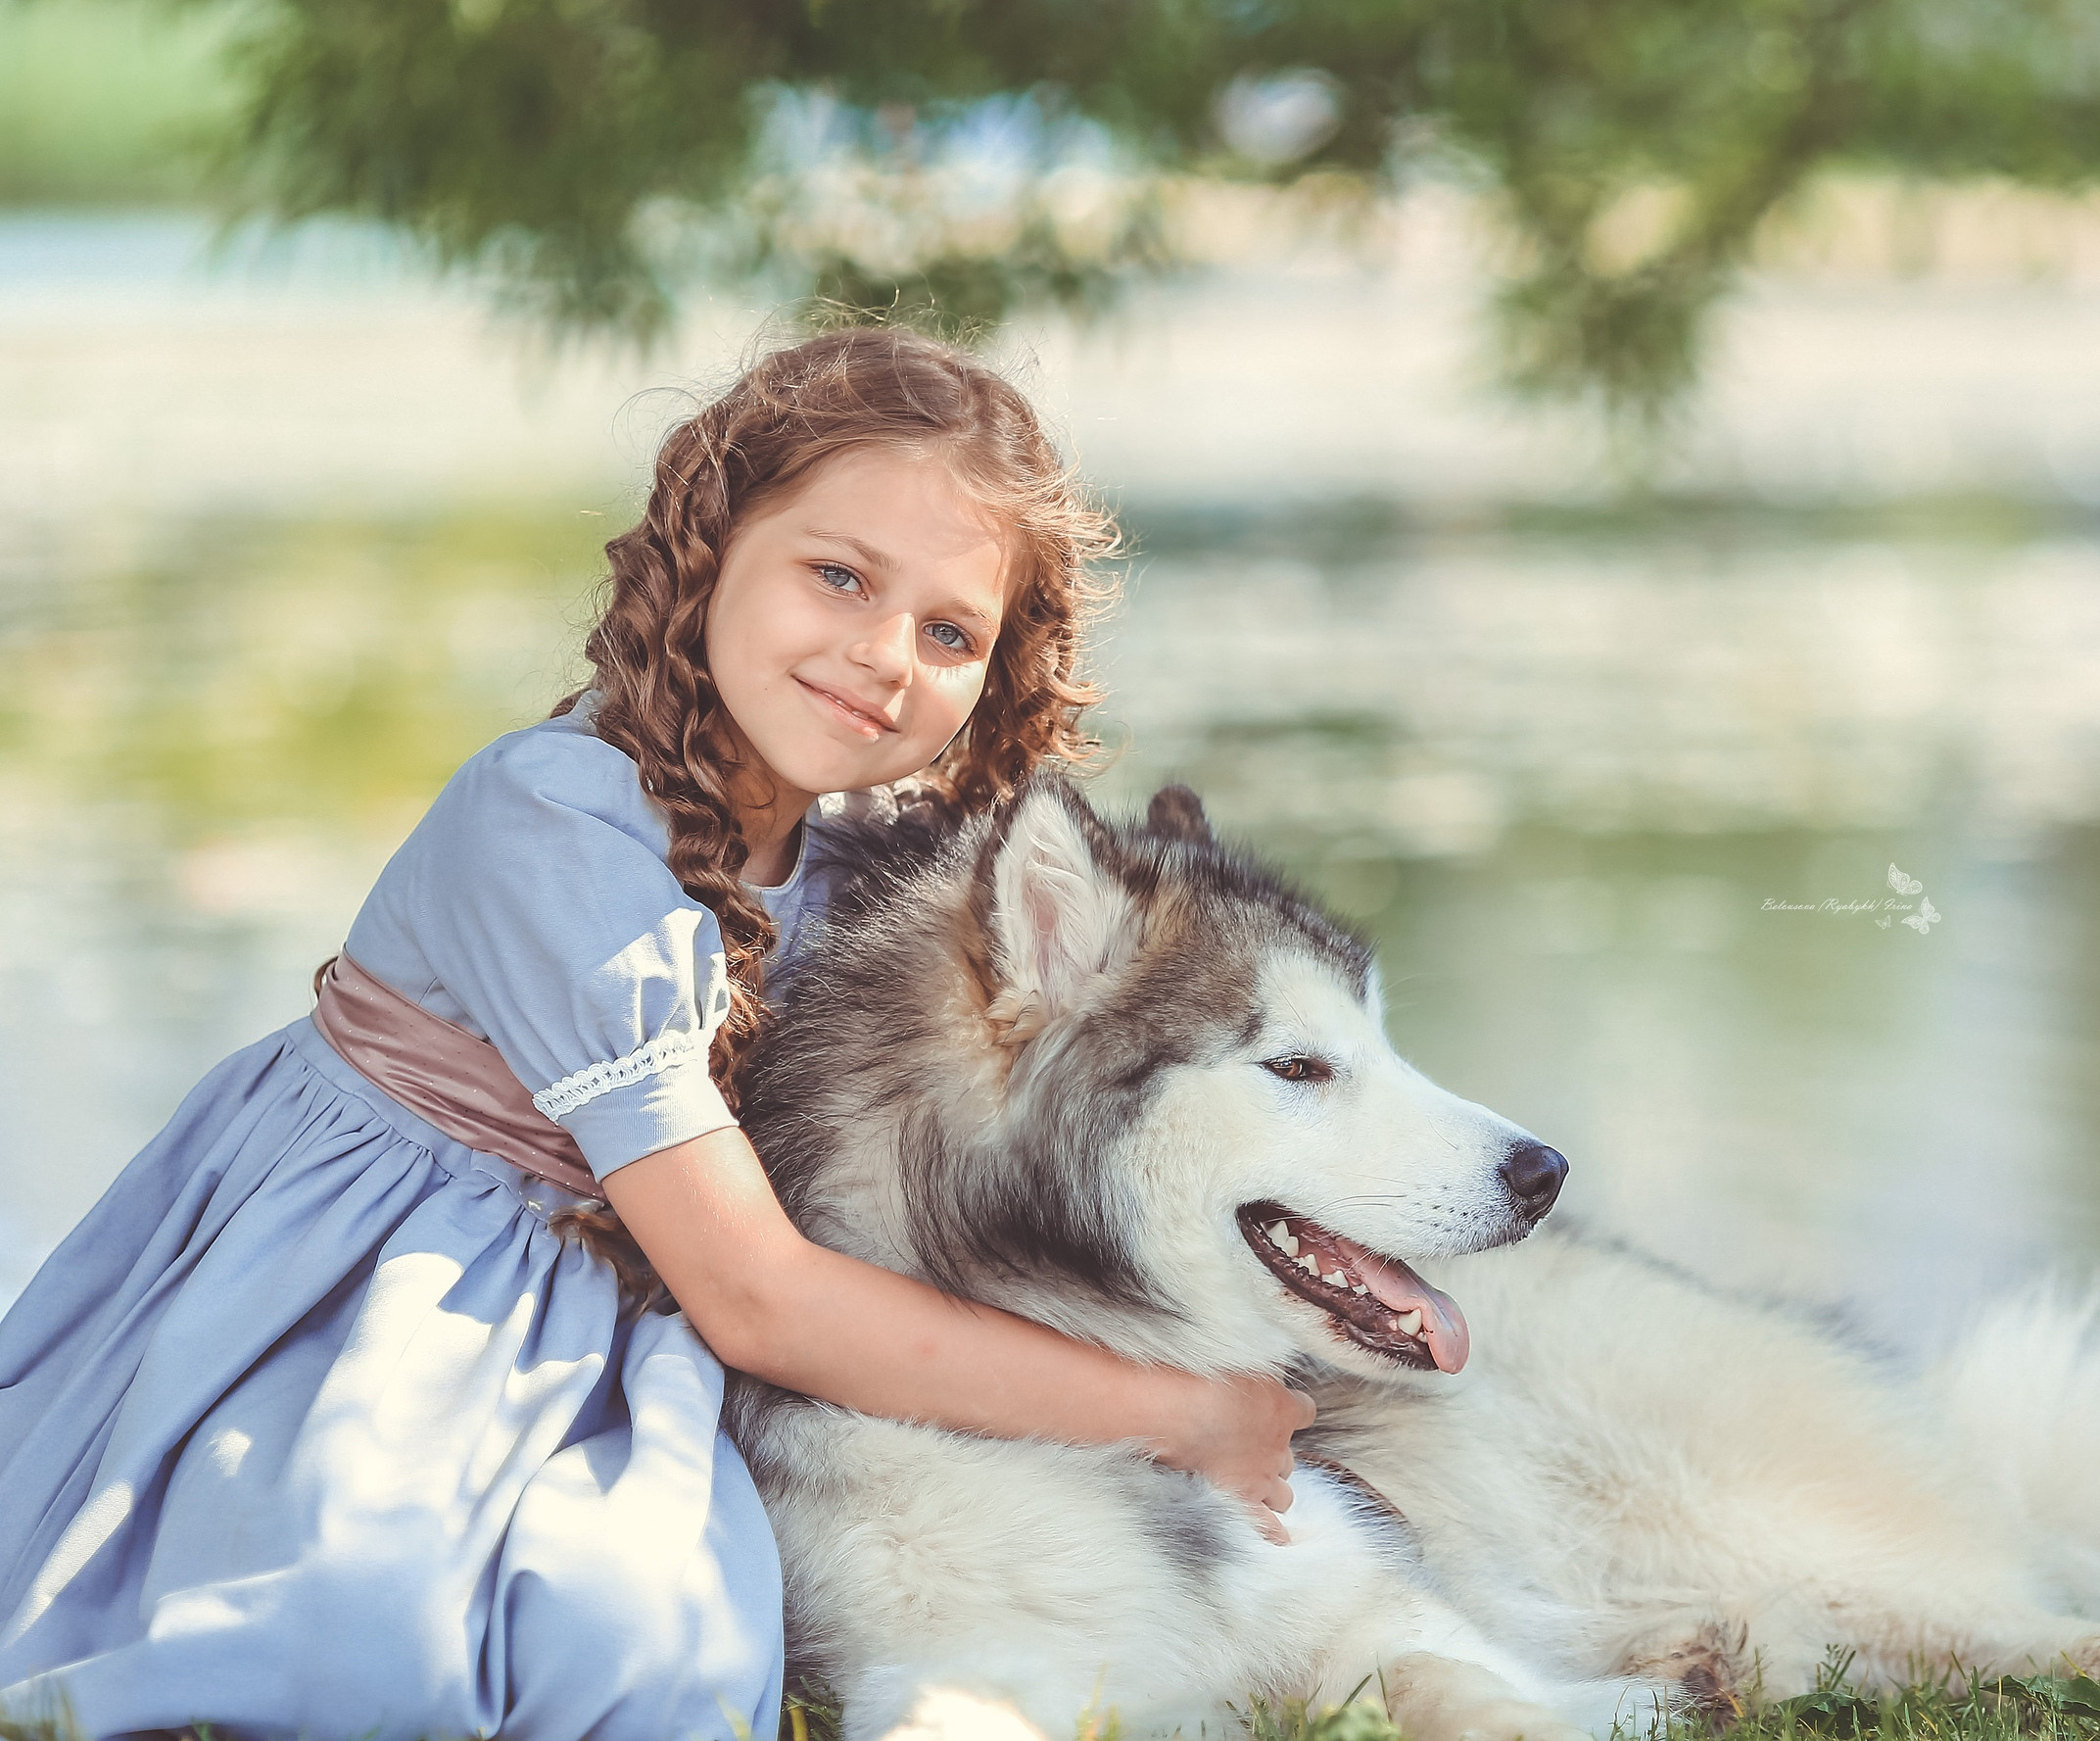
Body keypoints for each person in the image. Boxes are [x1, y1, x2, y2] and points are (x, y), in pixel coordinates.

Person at [0, 327, 1315, 1740]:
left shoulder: (873, 862)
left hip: (629, 1315)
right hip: (385, 1291)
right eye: (839, 575)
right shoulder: (550, 825)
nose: (884, 656)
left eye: (950, 633)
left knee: (658, 1653)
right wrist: (1177, 1411)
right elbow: (756, 1295)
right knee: (367, 1652)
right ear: (711, 545)